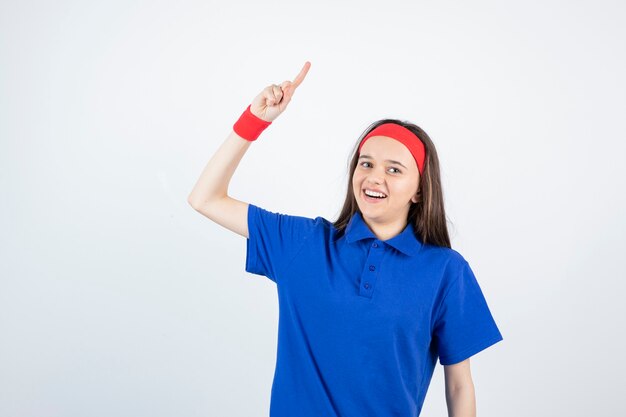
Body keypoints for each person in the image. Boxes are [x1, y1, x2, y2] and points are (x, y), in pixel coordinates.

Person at [188, 61, 503, 417]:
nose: (374, 177)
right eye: (365, 164)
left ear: (419, 190)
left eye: (394, 169)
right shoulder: (304, 243)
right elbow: (205, 198)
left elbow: (459, 387)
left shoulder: (446, 271)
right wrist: (255, 120)